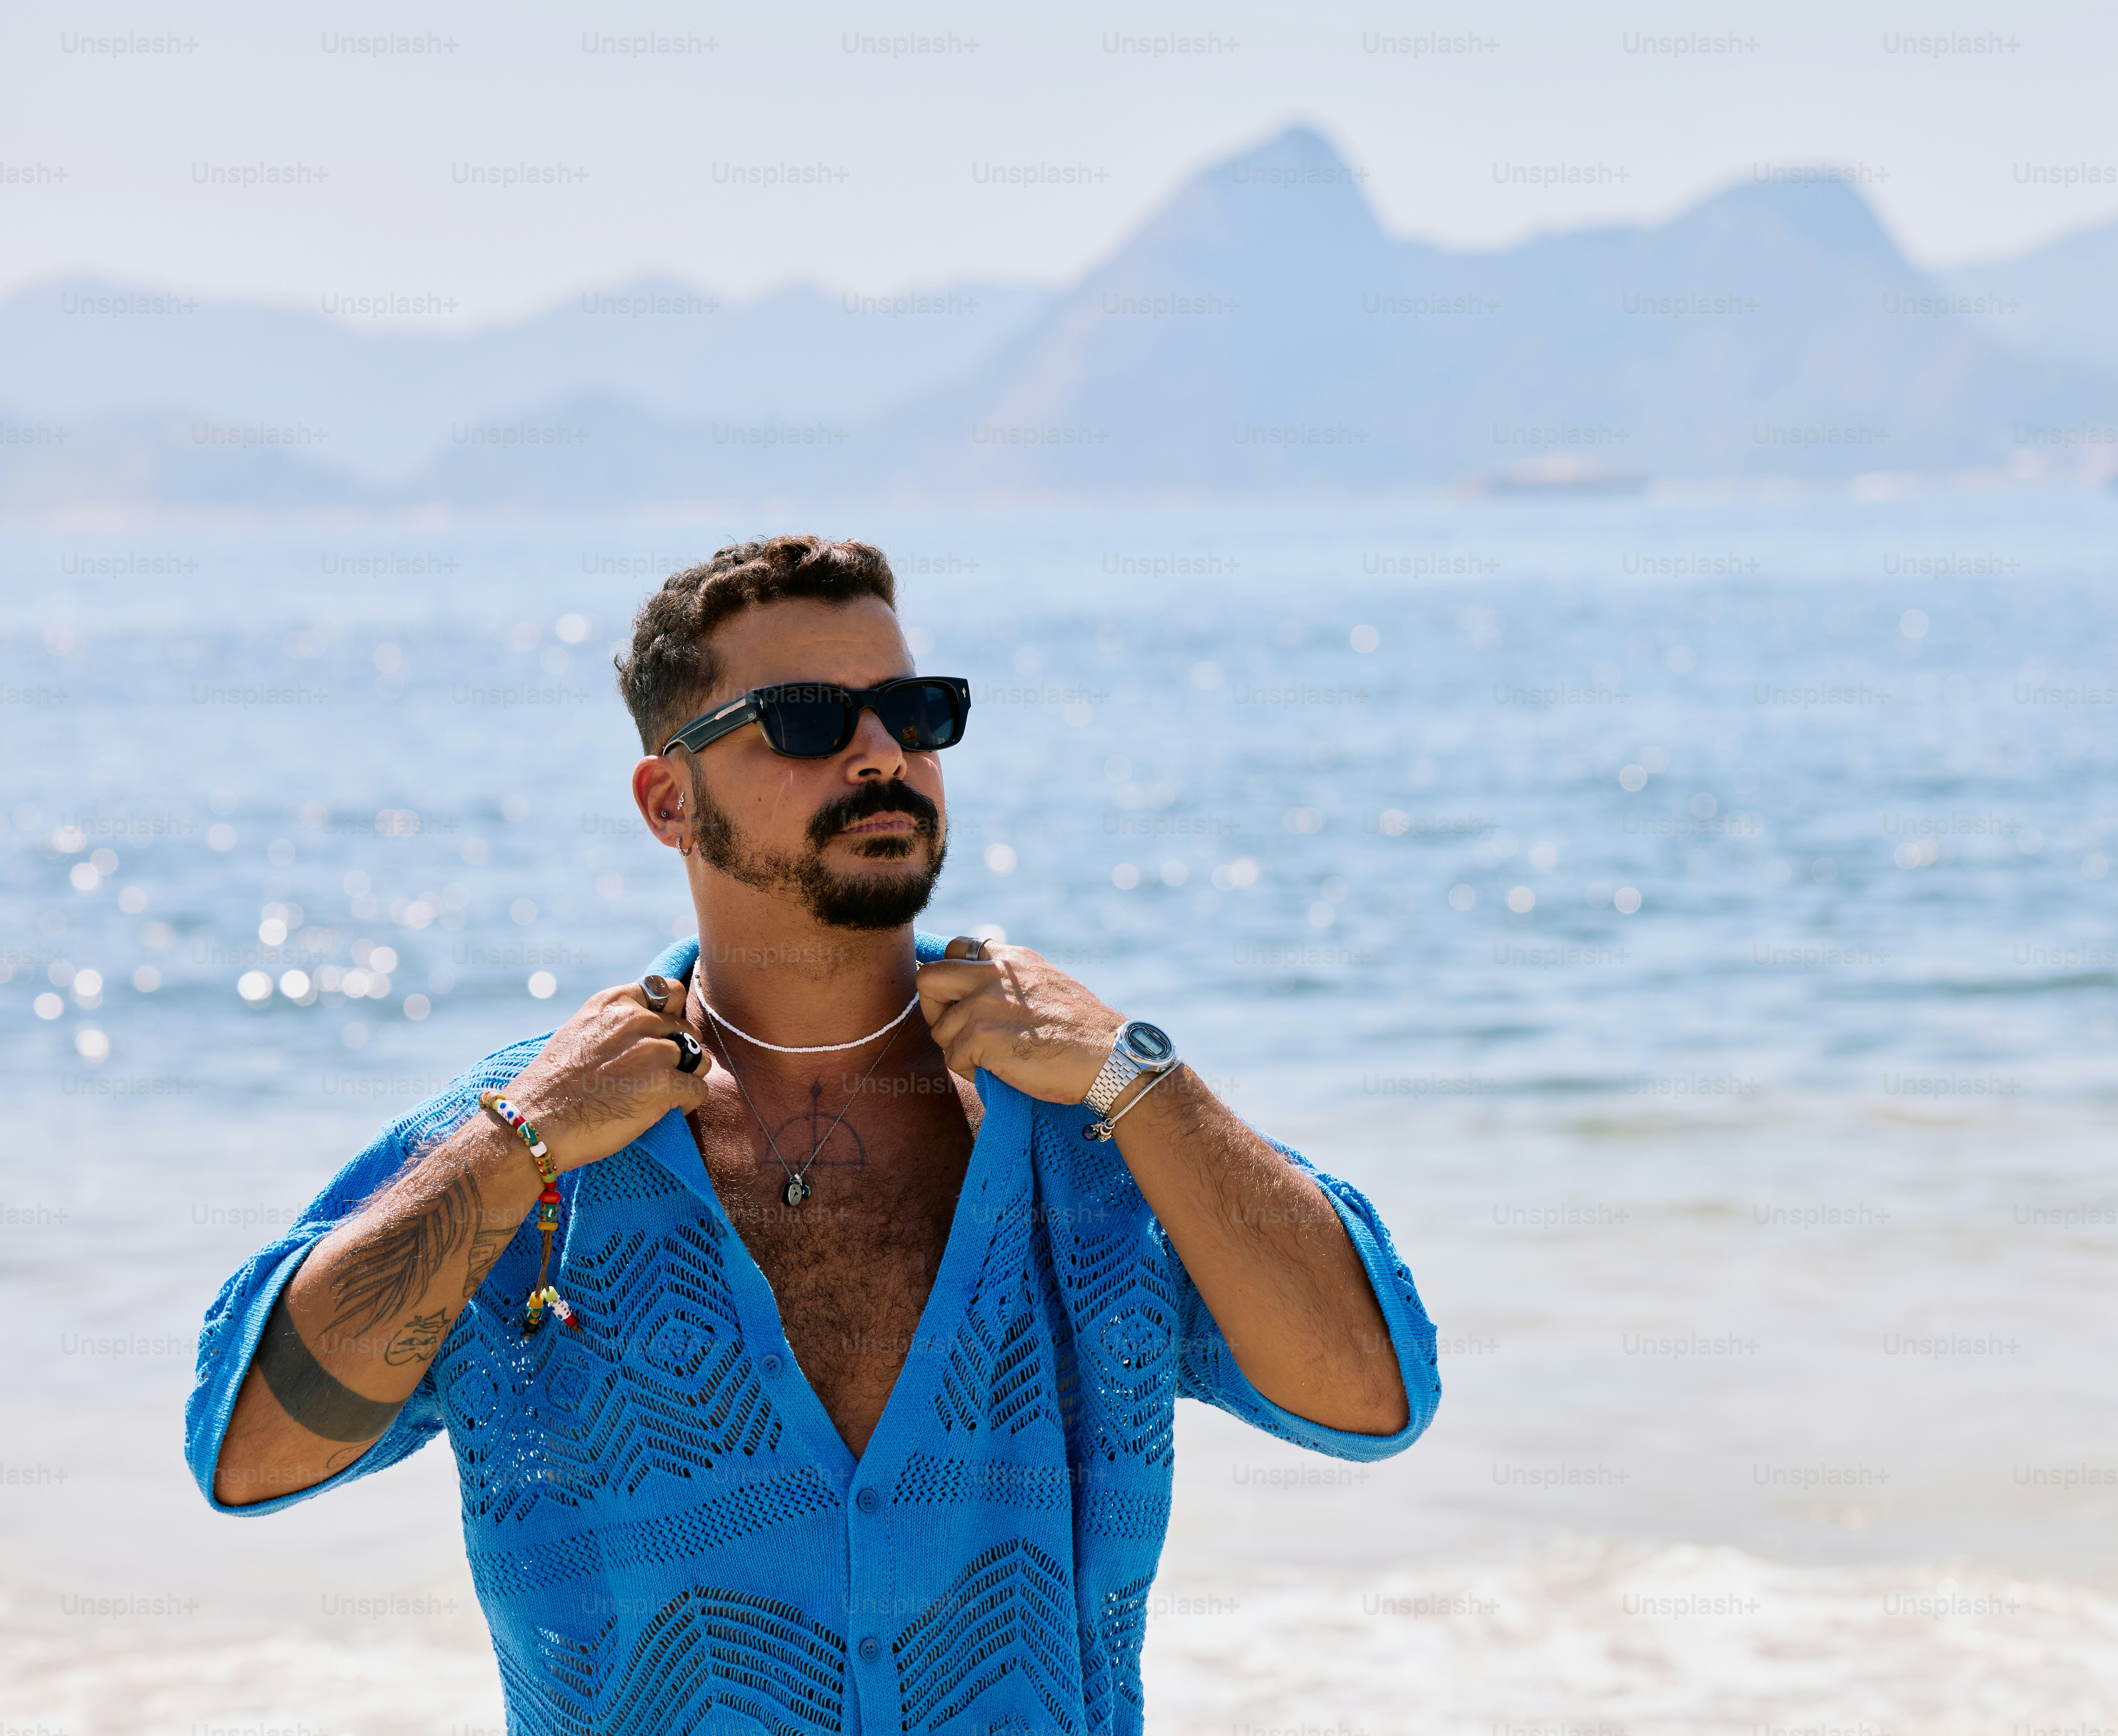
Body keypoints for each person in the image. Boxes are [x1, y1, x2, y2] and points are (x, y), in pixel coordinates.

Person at [184, 534, 1440, 1736]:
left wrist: (1139, 1077)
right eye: (806, 721)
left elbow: (1372, 1396)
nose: (883, 753)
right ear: (669, 800)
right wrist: (518, 1144)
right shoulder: (539, 1150)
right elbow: (253, 1456)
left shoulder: (1089, 1128)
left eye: (917, 712)